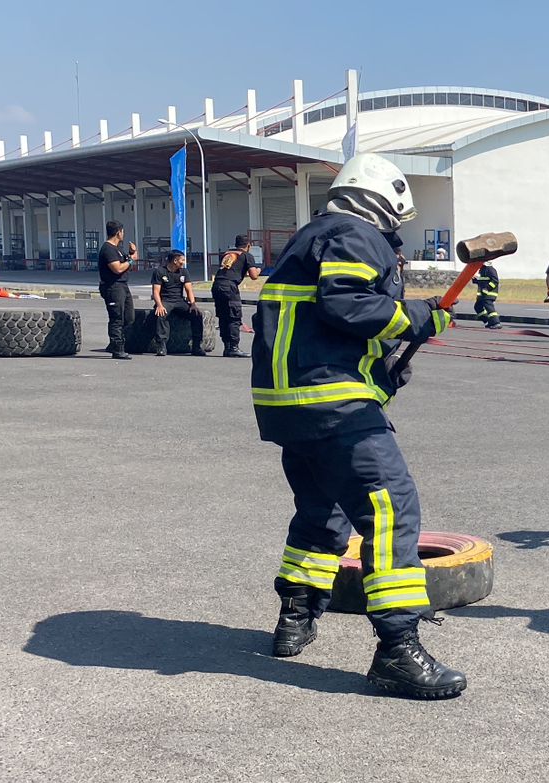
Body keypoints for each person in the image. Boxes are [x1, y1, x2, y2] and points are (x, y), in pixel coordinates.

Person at [250, 151, 466, 700]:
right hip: (332, 402)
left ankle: (294, 617)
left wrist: (383, 370)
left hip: (290, 405)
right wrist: (420, 316)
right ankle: (397, 650)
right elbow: (347, 303)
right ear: (386, 203)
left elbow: (322, 324)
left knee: (324, 509)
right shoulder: (354, 233)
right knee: (392, 507)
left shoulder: (309, 239)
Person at [149, 250, 206, 357]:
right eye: (182, 260)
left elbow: (189, 290)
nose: (184, 262)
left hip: (179, 301)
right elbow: (155, 292)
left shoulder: (184, 272)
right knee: (161, 314)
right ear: (175, 261)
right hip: (165, 300)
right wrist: (159, 305)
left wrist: (193, 304)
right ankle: (161, 345)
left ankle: (197, 346)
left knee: (197, 315)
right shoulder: (160, 271)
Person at [213, 235, 262, 358]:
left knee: (224, 316)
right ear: (248, 245)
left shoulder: (227, 254)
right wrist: (258, 270)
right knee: (234, 317)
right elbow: (254, 276)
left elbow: (232, 270)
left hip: (217, 285)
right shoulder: (247, 255)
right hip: (229, 287)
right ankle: (234, 347)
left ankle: (227, 347)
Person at [97, 220, 138, 360]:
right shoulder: (108, 249)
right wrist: (131, 260)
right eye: (122, 232)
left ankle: (115, 343)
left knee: (129, 317)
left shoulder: (118, 249)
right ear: (118, 232)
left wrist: (131, 254)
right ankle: (117, 348)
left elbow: (127, 264)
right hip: (112, 286)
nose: (123, 234)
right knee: (116, 318)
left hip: (123, 285)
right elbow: (117, 268)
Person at [473, 261, 503, 329]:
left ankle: (496, 323)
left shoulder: (490, 269)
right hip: (482, 294)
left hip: (489, 294)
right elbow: (482, 281)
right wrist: (475, 280)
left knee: (489, 308)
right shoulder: (483, 270)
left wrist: (487, 288)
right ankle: (488, 321)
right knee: (477, 307)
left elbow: (495, 281)